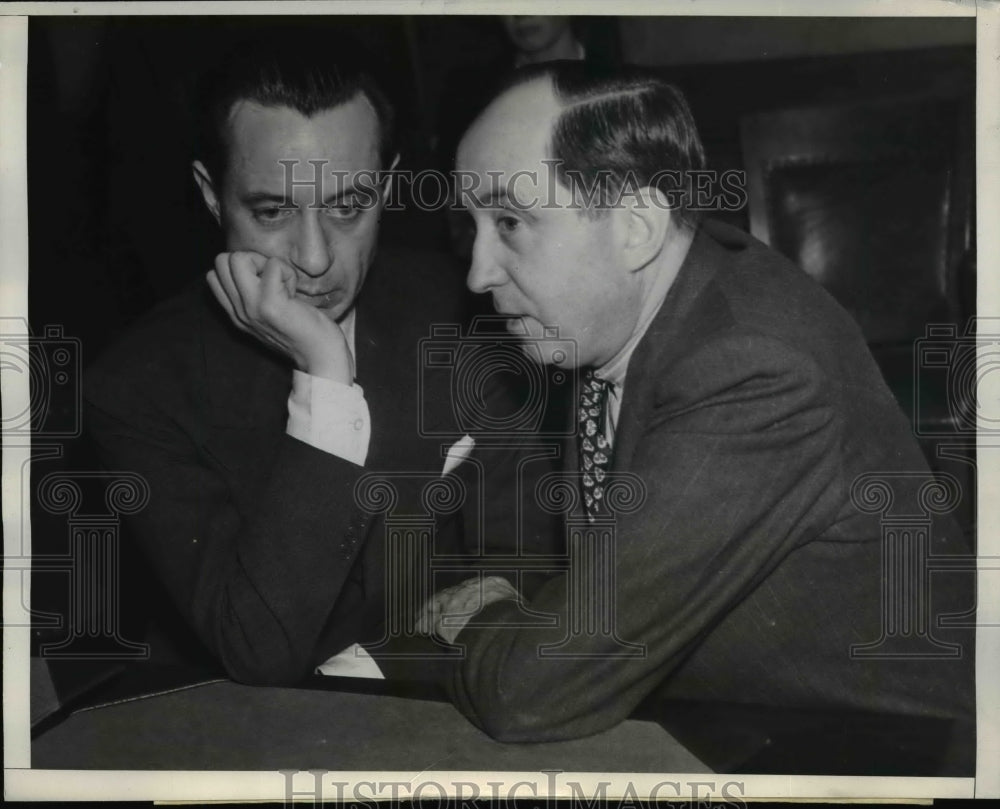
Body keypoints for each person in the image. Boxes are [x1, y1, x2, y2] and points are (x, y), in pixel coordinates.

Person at [418, 62, 976, 760]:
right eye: (470, 225)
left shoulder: (754, 369)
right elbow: (624, 562)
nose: (477, 271)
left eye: (509, 221)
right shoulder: (628, 312)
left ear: (636, 226)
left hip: (882, 756)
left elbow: (531, 691)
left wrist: (482, 619)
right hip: (735, 725)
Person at [82, 37, 548, 685]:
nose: (316, 258)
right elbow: (257, 648)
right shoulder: (136, 386)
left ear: (386, 186)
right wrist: (326, 377)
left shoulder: (469, 311)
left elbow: (528, 561)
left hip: (445, 708)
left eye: (347, 207)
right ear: (211, 195)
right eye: (272, 210)